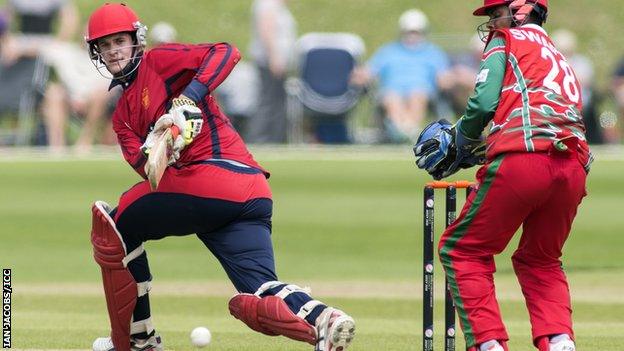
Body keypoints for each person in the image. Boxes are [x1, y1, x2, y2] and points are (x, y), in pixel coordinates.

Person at [84, 3, 355, 351]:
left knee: (112, 224)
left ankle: (136, 341)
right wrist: (165, 143)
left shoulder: (160, 61)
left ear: (137, 40)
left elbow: (226, 52)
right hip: (247, 192)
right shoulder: (122, 116)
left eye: (119, 41)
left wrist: (187, 98)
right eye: (104, 46)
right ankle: (323, 322)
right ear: (97, 54)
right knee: (257, 295)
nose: (112, 51)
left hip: (216, 178)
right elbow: (149, 172)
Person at [413, 1, 592, 350]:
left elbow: (481, 104)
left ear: (520, 11)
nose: (493, 24)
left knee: (462, 250)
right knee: (541, 259)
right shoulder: (556, 53)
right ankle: (560, 342)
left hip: (525, 161)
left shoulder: (506, 40)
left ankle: (489, 344)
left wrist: (462, 139)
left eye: (496, 14)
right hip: (573, 165)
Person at [351, 8, 453, 142]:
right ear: (402, 32)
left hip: (423, 92)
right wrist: (361, 74)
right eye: (409, 32)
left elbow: (445, 77)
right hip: (391, 92)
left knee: (417, 94)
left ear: (423, 32)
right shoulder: (388, 50)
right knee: (391, 97)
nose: (412, 35)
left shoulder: (433, 52)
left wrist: (446, 80)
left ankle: (405, 130)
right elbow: (369, 71)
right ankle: (405, 132)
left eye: (416, 32)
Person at [246, 0, 296, 144]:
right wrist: (274, 56)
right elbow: (267, 31)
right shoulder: (267, 4)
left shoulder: (277, 5)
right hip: (270, 61)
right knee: (268, 102)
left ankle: (275, 139)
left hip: (278, 61)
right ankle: (259, 139)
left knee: (278, 102)